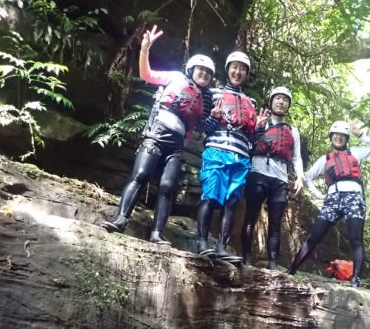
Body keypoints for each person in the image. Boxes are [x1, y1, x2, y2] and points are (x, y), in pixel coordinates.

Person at [101, 25, 214, 244]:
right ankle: (121, 219)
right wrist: (145, 49)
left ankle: (157, 234)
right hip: (156, 133)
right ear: (192, 69)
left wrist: (213, 117)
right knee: (140, 176)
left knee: (167, 186)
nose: (205, 74)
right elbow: (146, 74)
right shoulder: (176, 77)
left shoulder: (203, 99)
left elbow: (198, 127)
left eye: (208, 73)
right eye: (201, 70)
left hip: (176, 145)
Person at [287, 121, 370, 287]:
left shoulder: (356, 153)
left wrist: (360, 135)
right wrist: (318, 194)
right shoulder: (325, 159)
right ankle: (291, 271)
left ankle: (355, 280)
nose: (338, 138)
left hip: (354, 197)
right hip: (333, 199)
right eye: (335, 135)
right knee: (313, 237)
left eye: (342, 136)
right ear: (331, 138)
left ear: (346, 139)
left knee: (356, 240)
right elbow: (307, 177)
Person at [196, 51, 264, 260]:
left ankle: (221, 247)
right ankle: (202, 243)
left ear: (246, 73)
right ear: (227, 70)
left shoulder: (251, 102)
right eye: (234, 67)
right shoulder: (212, 94)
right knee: (210, 197)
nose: (238, 71)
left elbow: (252, 140)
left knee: (232, 202)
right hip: (216, 151)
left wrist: (259, 129)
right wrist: (214, 118)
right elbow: (202, 127)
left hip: (241, 157)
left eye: (242, 68)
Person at [240, 86, 304, 269]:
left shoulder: (293, 131)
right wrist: (256, 127)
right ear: (271, 101)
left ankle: (273, 264)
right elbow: (248, 143)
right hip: (258, 173)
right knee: (250, 217)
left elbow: (296, 157)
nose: (281, 102)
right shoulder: (260, 122)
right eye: (278, 98)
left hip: (280, 179)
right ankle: (246, 259)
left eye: (285, 99)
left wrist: (300, 177)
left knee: (275, 224)